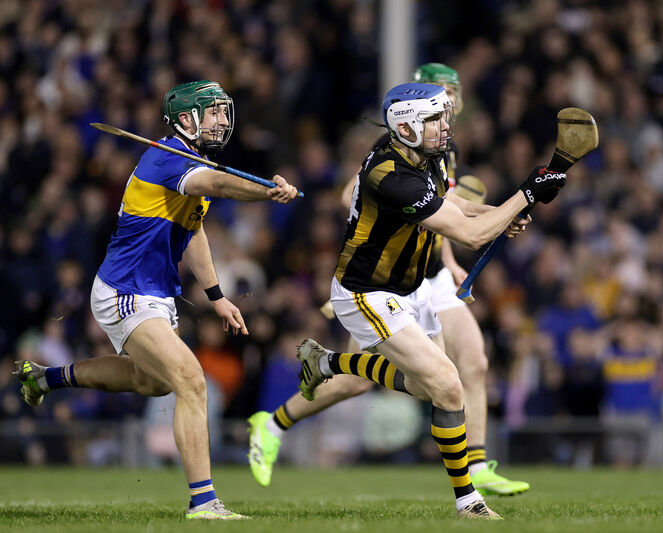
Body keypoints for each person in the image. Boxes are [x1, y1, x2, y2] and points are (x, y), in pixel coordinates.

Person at [12, 80, 298, 520]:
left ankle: (47, 379)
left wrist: (217, 296)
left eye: (225, 111)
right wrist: (267, 191)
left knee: (153, 382)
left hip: (156, 294)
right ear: (186, 119)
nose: (224, 120)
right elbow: (219, 185)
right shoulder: (169, 157)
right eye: (213, 112)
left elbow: (195, 228)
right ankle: (203, 501)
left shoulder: (192, 163)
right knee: (191, 379)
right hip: (126, 291)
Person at [248, 64, 529, 497]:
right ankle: (275, 420)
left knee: (470, 363)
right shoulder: (392, 155)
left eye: (451, 97)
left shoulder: (440, 150)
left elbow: (447, 207)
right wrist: (375, 229)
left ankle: (476, 465)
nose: (448, 109)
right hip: (384, 281)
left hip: (427, 274)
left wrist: (456, 249)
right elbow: (359, 196)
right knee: (384, 380)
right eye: (438, 101)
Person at [306, 81, 563, 518]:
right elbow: (468, 234)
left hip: (410, 290)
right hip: (365, 291)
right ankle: (469, 501)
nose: (445, 126)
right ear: (405, 126)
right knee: (448, 384)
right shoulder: (390, 175)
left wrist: (500, 213)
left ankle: (327, 363)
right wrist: (525, 194)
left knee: (429, 388)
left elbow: (451, 205)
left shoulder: (421, 156)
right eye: (433, 119)